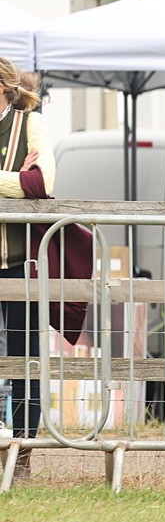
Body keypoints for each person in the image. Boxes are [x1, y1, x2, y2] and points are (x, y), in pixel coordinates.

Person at [0, 56, 52, 479]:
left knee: (25, 360)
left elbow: (41, 185)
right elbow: (23, 182)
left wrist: (24, 180)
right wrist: (13, 176)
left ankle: (24, 453)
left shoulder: (30, 123)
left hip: (18, 263)